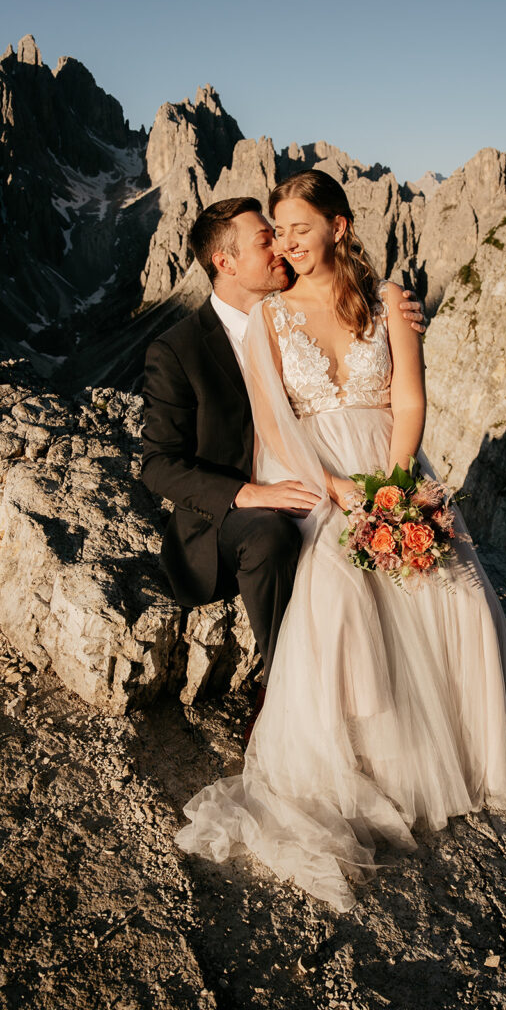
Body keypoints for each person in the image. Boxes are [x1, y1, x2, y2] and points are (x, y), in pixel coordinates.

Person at [175, 172, 506, 911]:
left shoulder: (389, 303)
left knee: (454, 587)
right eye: (276, 232)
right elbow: (271, 425)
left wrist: (396, 480)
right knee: (342, 588)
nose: (285, 243)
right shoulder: (270, 320)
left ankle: (470, 754)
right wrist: (341, 490)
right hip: (313, 470)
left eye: (297, 228)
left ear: (339, 227)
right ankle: (372, 758)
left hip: (392, 460)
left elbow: (409, 397)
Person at [141, 196, 426, 736]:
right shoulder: (177, 349)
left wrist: (401, 312)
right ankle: (285, 694)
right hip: (234, 515)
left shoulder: (294, 312)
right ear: (225, 263)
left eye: (281, 234)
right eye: (265, 241)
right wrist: (246, 494)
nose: (282, 249)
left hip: (320, 475)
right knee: (273, 534)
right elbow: (157, 465)